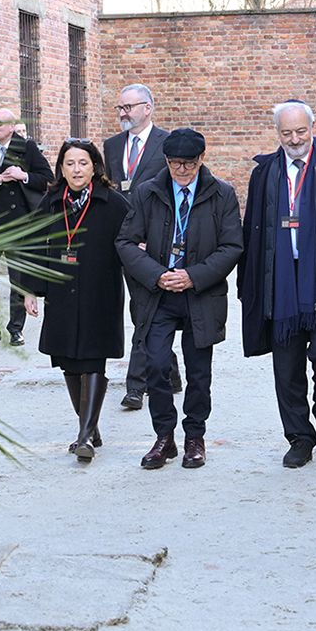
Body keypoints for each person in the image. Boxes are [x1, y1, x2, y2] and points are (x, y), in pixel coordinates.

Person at [237, 99, 316, 468]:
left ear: (313, 128)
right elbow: (253, 230)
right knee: (286, 367)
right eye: (286, 132)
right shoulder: (264, 171)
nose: (294, 139)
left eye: (300, 131)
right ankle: (299, 436)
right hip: (280, 282)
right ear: (277, 133)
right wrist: (247, 285)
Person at [117, 128, 243, 470]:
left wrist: (194, 275)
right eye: (174, 164)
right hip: (159, 293)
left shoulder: (222, 194)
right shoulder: (148, 192)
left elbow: (232, 246)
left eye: (188, 164)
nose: (181, 171)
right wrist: (157, 275)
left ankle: (194, 437)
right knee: (156, 364)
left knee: (199, 372)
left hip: (201, 294)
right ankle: (164, 436)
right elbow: (126, 242)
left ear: (201, 160)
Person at [17, 138, 127, 461]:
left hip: (99, 293)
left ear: (95, 167)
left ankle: (84, 437)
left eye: (83, 163)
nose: (76, 170)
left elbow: (133, 243)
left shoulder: (114, 203)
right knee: (68, 361)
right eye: (70, 164)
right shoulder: (50, 202)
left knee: (93, 358)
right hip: (60, 293)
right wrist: (28, 290)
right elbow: (31, 247)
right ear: (61, 169)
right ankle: (89, 426)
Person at [102, 84, 181, 410]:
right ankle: (170, 371)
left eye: (129, 107)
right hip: (121, 239)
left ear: (148, 107)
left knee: (144, 311)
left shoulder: (167, 143)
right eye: (120, 107)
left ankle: (136, 385)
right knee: (143, 310)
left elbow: (174, 194)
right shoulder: (111, 146)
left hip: (152, 241)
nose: (123, 113)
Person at [0, 107, 52, 346]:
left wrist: (23, 175)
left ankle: (16, 328)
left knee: (18, 279)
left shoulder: (27, 148)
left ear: (12, 126)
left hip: (18, 224)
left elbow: (46, 178)